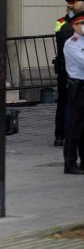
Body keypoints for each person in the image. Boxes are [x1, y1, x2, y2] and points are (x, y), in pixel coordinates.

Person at [54, 0, 84, 146]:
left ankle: (62, 134)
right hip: (69, 72)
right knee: (67, 105)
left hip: (67, 70)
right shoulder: (65, 27)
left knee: (65, 104)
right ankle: (64, 134)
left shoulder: (64, 24)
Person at [62, 11, 84, 175]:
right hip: (78, 88)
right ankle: (70, 163)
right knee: (74, 128)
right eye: (81, 23)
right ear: (74, 25)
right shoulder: (72, 43)